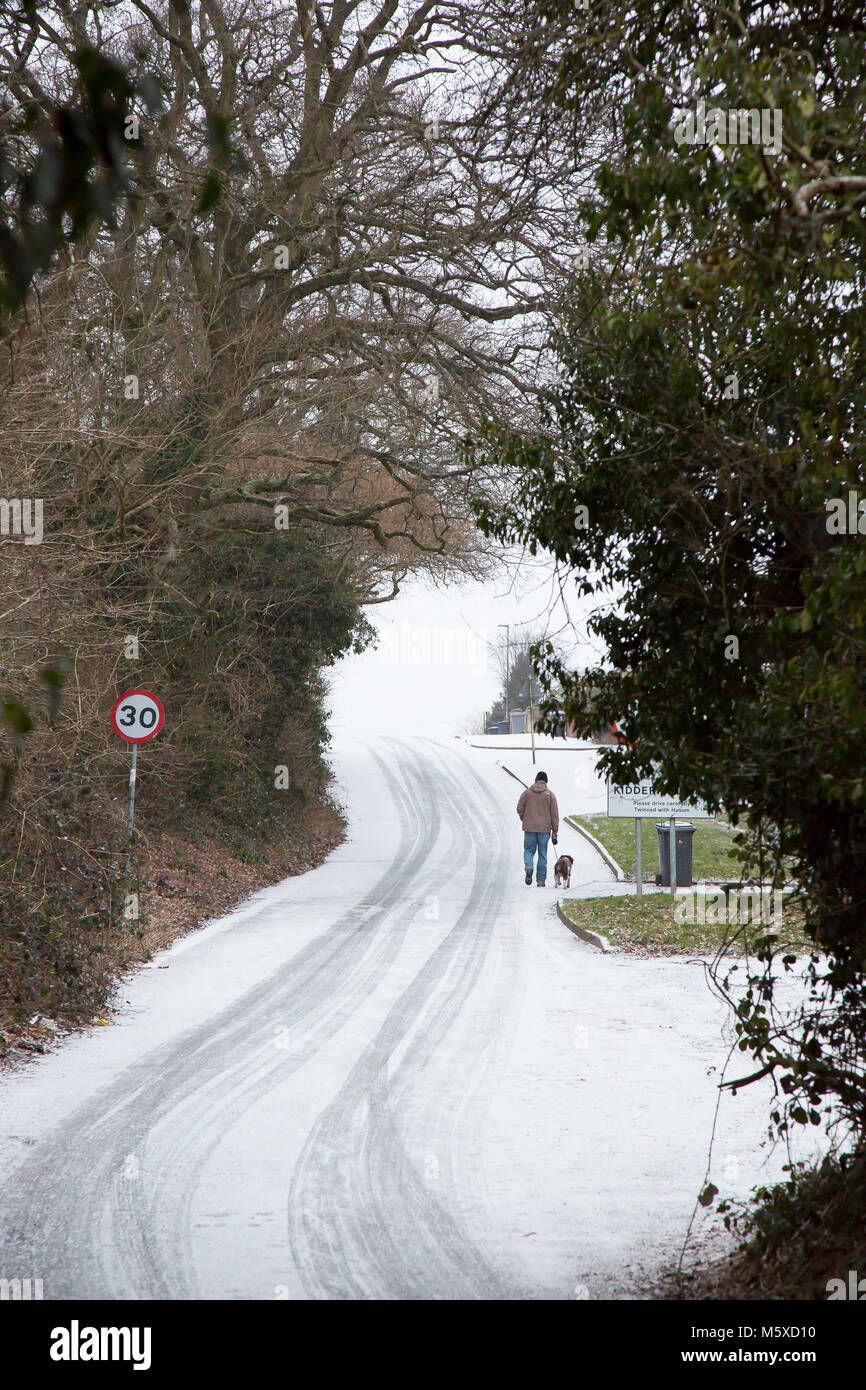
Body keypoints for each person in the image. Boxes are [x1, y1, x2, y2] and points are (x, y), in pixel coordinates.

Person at [517, 771, 559, 887]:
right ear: (546, 781)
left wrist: (525, 819)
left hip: (529, 828)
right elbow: (554, 814)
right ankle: (540, 881)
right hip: (544, 830)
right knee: (542, 854)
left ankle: (529, 867)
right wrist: (555, 830)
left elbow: (519, 808)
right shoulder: (550, 795)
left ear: (536, 780)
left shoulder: (527, 793)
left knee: (528, 850)